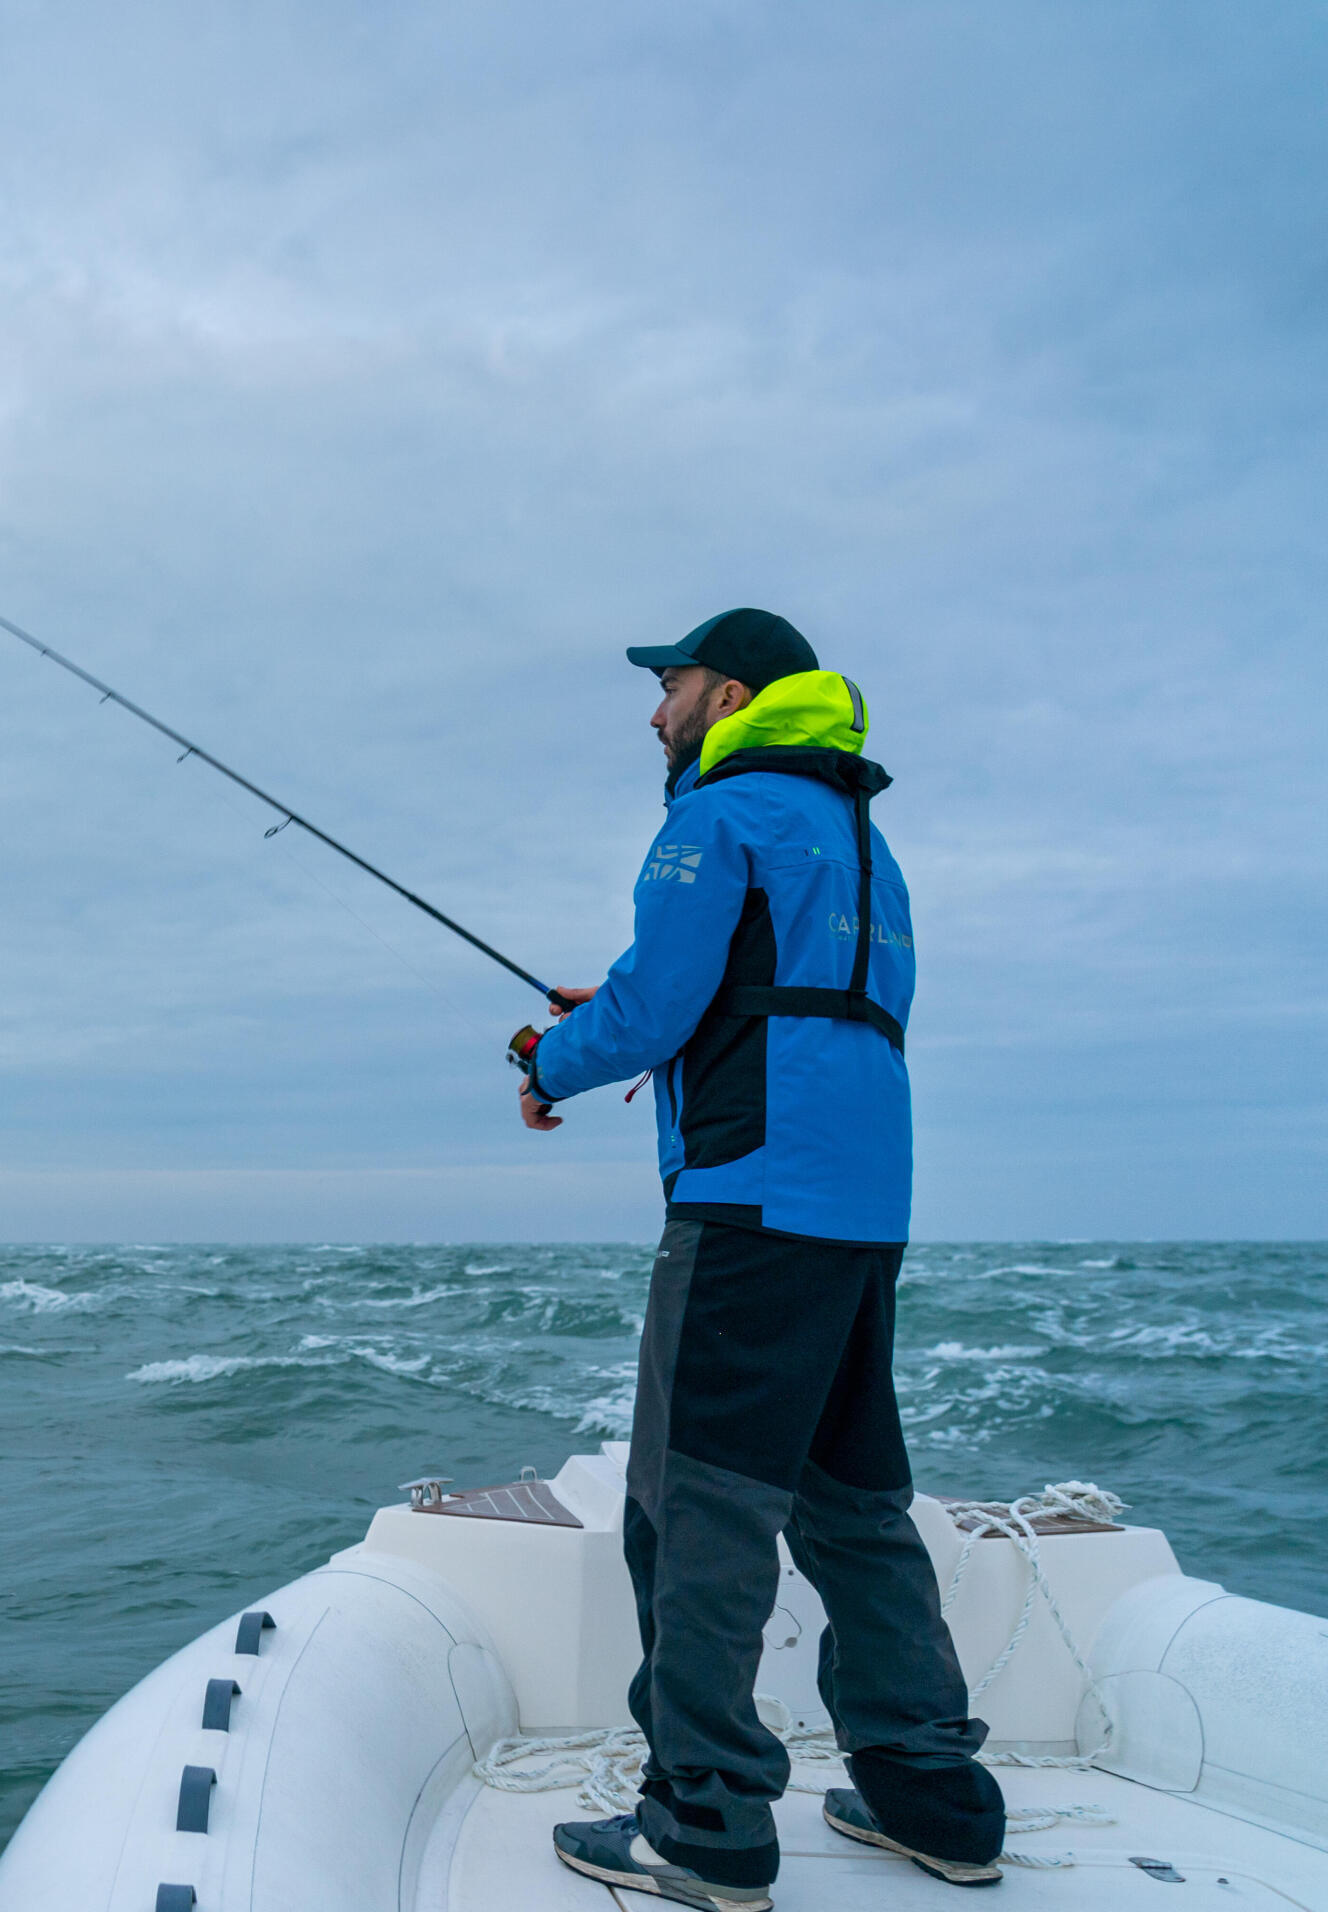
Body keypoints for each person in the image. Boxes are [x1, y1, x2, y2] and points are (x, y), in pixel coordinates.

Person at [516, 610, 1005, 1908]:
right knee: (854, 1510)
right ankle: (936, 1800)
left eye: (670, 687)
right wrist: (643, 1024)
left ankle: (706, 1825)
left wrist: (549, 1063)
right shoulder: (860, 834)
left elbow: (658, 1007)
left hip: (746, 1212)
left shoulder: (714, 820)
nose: (656, 712)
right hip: (861, 1212)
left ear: (730, 693)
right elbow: (778, 998)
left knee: (696, 1514)